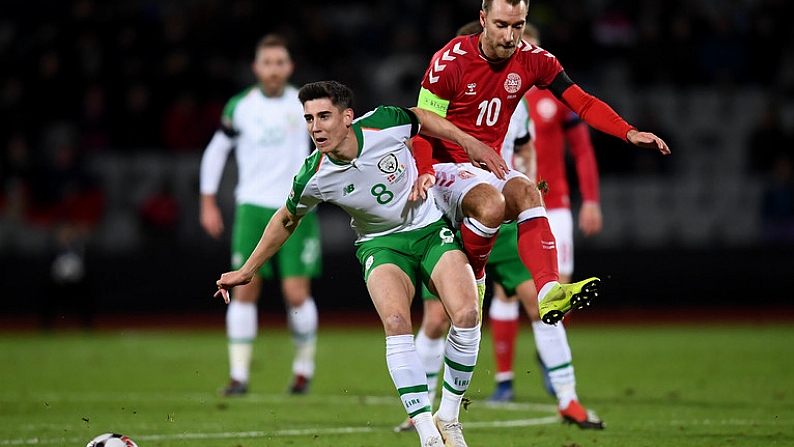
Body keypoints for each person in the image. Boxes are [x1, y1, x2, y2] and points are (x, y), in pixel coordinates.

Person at [215, 80, 497, 447]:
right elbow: (286, 219)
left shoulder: (383, 123)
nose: (315, 127)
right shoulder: (314, 174)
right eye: (308, 119)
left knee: (467, 315)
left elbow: (423, 120)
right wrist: (248, 270)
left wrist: (468, 142)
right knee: (397, 322)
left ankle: (450, 416)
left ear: (347, 117)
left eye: (324, 116)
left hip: (429, 229)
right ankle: (428, 434)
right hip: (381, 246)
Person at [412, 0, 670, 328]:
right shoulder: (450, 61)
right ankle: (475, 279)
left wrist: (628, 132)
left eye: (517, 25)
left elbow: (583, 101)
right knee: (490, 208)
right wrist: (423, 171)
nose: (510, 36)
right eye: (502, 25)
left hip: (483, 169)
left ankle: (549, 290)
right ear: (483, 19)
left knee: (529, 193)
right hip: (441, 168)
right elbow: (421, 126)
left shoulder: (534, 60)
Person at [487, 23, 603, 418]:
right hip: (505, 205)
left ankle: (555, 376)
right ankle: (504, 379)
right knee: (505, 293)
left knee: (554, 292)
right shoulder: (495, 96)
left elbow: (583, 149)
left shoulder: (552, 96)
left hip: (553, 204)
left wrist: (590, 201)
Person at [199, 34, 323, 396]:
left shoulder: (306, 104)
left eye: (279, 62)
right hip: (252, 207)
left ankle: (303, 370)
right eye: (267, 63)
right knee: (244, 290)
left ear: (290, 67)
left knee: (296, 292)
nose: (273, 69)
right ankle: (238, 375)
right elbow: (216, 151)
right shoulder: (241, 106)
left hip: (295, 206)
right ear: (256, 68)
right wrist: (207, 201)